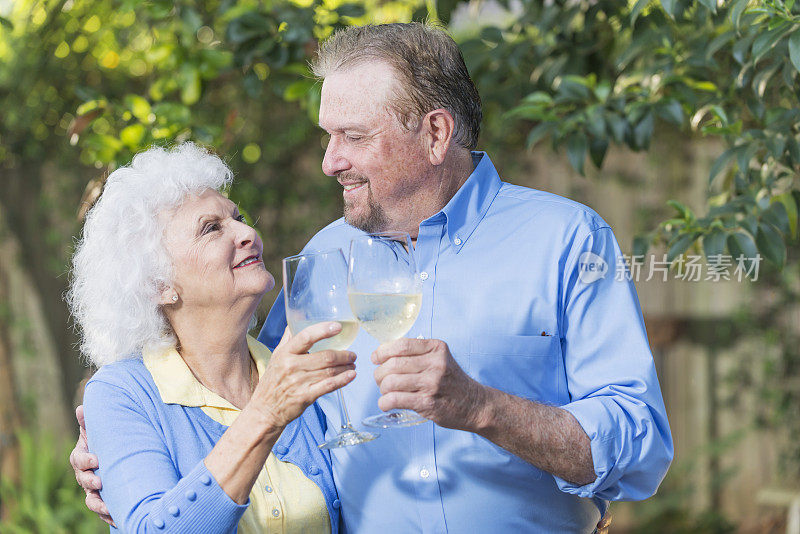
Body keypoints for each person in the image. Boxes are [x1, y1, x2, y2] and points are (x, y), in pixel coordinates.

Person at [72, 23, 672, 532]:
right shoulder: (323, 260)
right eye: (327, 136)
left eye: (353, 137)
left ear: (435, 133)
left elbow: (640, 446)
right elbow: (238, 385)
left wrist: (481, 407)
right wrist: (117, 454)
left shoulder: (567, 239)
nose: (330, 160)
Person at [68, 142, 356, 533]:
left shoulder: (295, 365)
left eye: (237, 218)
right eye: (212, 228)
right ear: (159, 284)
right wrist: (267, 413)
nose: (247, 233)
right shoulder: (122, 394)